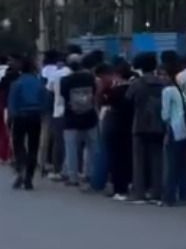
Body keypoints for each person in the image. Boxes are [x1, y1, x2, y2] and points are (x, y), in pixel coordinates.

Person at [127, 53, 167, 204]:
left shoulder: (137, 83)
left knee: (139, 160)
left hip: (140, 124)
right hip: (158, 124)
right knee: (157, 159)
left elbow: (128, 99)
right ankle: (156, 191)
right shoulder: (162, 83)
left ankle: (139, 192)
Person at [58, 54, 99, 187]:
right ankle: (91, 174)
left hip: (71, 118)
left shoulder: (65, 80)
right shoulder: (90, 78)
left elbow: (64, 96)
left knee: (71, 149)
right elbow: (95, 92)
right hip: (90, 117)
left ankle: (73, 176)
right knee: (92, 147)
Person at [8, 58, 44, 190]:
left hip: (20, 116)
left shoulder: (17, 83)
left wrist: (12, 117)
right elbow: (44, 100)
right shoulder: (38, 83)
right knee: (33, 146)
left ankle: (21, 167)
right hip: (35, 116)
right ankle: (29, 176)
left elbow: (12, 103)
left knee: (18, 144)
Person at [161, 61, 186, 206]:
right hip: (185, 129)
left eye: (162, 74)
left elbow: (165, 115)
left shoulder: (167, 91)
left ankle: (169, 195)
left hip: (173, 129)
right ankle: (185, 192)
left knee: (172, 163)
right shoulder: (180, 89)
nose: (160, 77)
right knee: (183, 163)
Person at [102, 62, 135, 200]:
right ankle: (129, 183)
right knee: (128, 156)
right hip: (131, 126)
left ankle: (118, 188)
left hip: (116, 126)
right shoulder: (133, 88)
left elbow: (108, 105)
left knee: (116, 158)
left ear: (118, 75)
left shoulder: (115, 91)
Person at [39, 49, 69, 179]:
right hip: (63, 107)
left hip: (49, 106)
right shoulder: (63, 70)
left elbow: (45, 90)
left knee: (46, 135)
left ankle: (43, 163)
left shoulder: (46, 71)